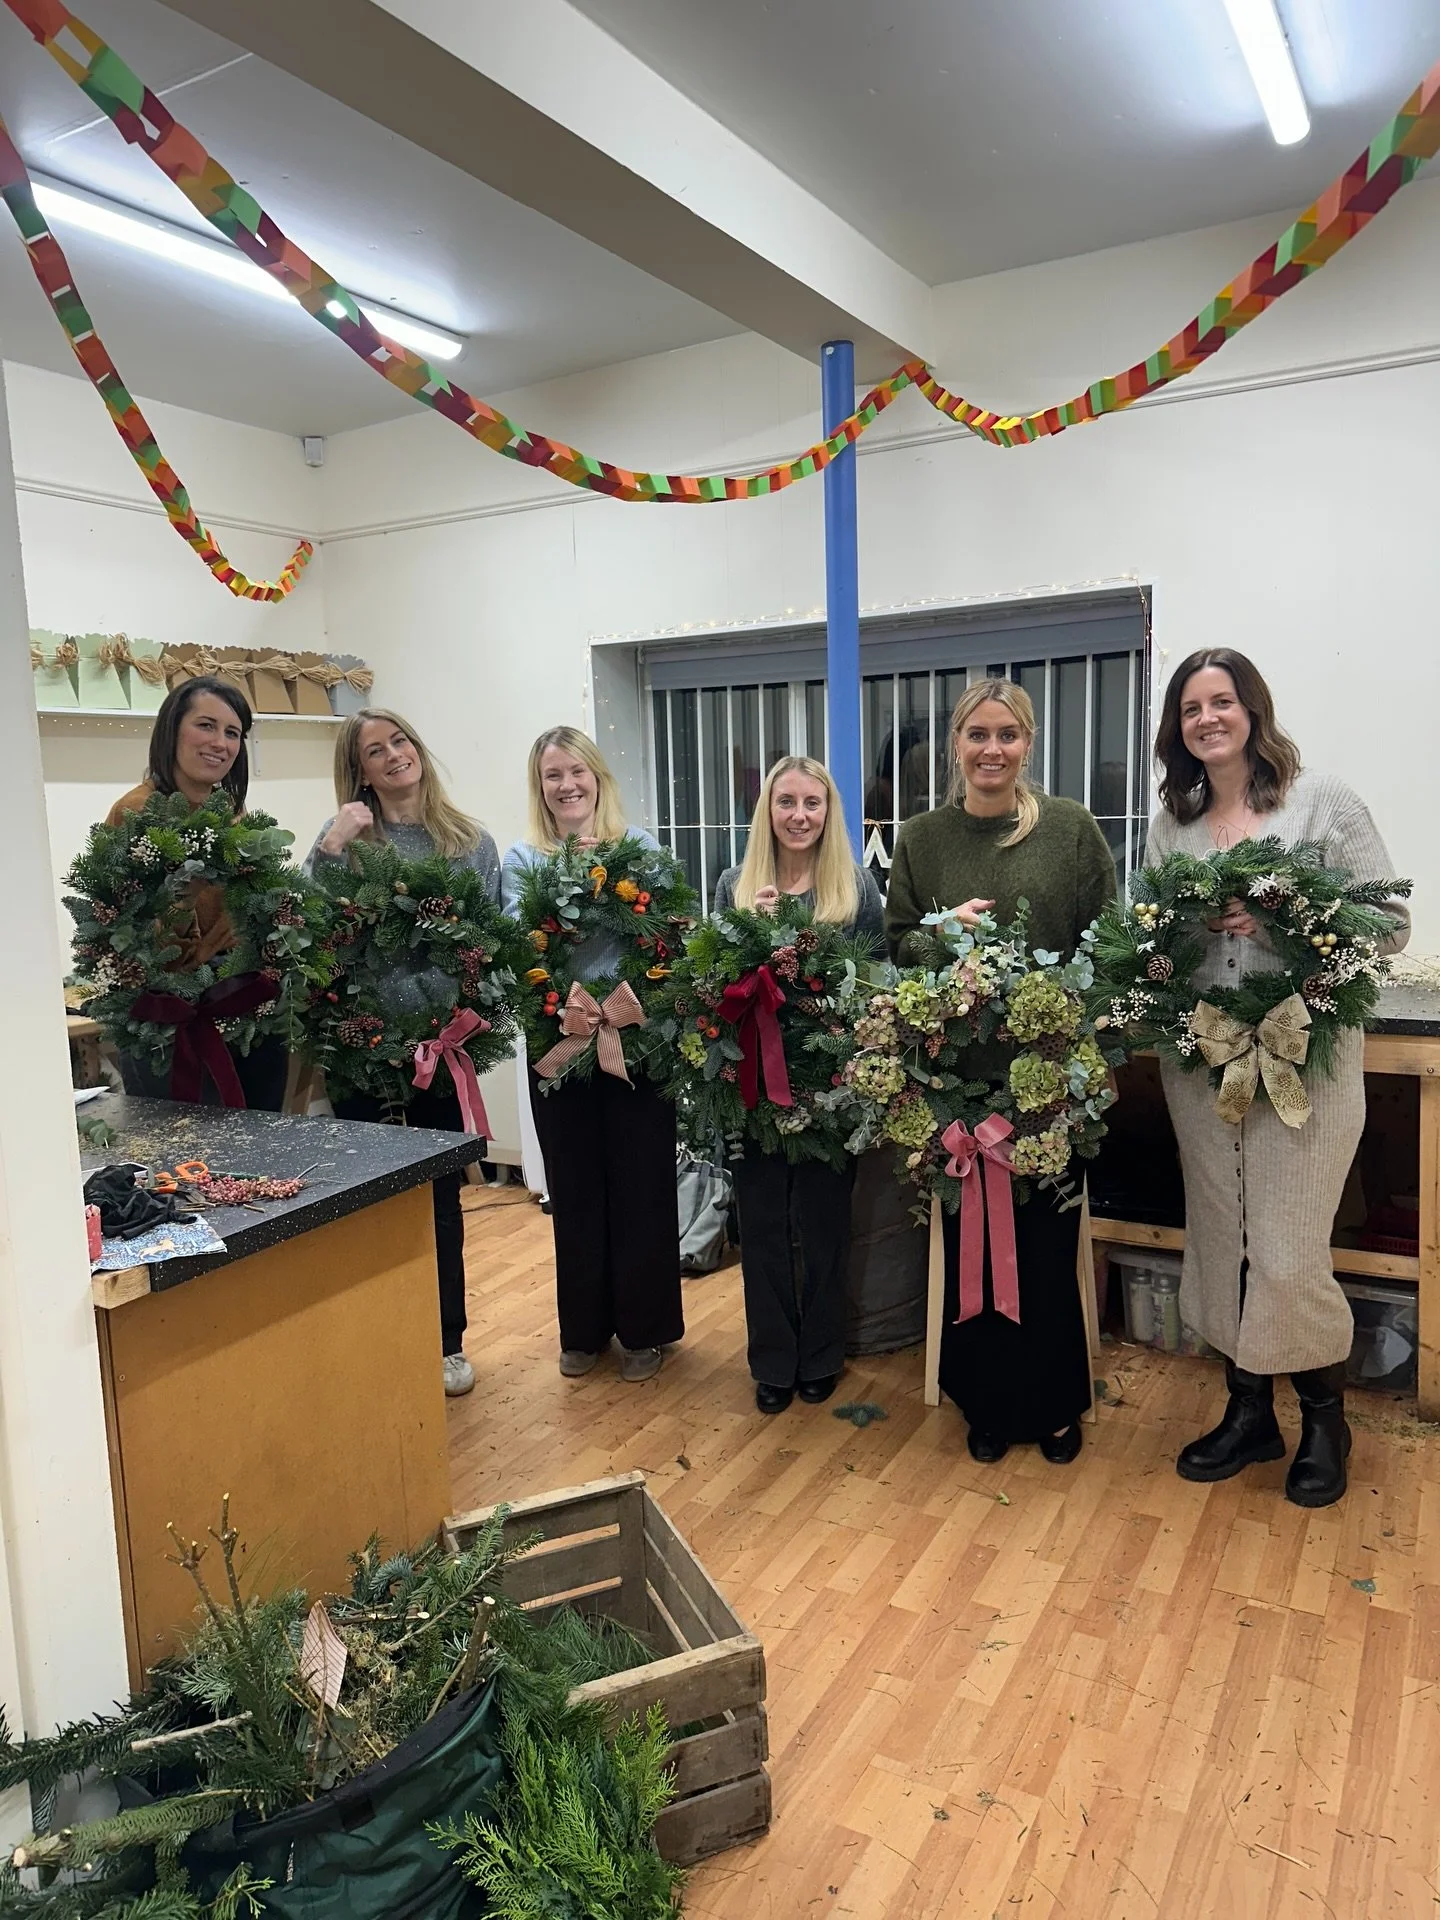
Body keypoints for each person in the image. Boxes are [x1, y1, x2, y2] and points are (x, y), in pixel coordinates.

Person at [1147, 648, 1410, 1508]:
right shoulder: (1173, 823)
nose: (1207, 718)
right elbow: (1154, 933)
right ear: (1177, 729)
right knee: (1223, 1240)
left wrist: (1281, 916)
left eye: (1222, 701)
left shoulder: (1320, 803)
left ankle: (1325, 1421)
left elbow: (1388, 920)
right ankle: (1248, 1412)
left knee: (1291, 1251)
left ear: (1253, 710)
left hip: (1304, 1062)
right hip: (1206, 1061)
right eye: (1191, 708)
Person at [886, 679, 1117, 1465]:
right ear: (955, 743)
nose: (992, 750)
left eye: (1007, 736)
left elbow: (1107, 947)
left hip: (1051, 1088)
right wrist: (938, 932)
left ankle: (1053, 1406)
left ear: (1029, 743)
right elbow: (897, 947)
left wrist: (1077, 1037)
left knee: (1047, 1252)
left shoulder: (1072, 831)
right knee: (972, 1254)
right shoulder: (920, 839)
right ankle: (984, 1402)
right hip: (957, 1092)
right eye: (977, 735)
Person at [305, 708, 501, 1399]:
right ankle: (380, 1330)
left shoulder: (470, 842)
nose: (394, 756)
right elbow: (311, 929)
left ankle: (446, 1340)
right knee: (373, 1203)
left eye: (401, 742)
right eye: (375, 750)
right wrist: (333, 843)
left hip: (439, 1049)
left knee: (441, 1198)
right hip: (362, 1050)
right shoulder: (347, 840)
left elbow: (487, 944)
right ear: (359, 769)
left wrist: (462, 1015)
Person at [501, 725, 683, 1384]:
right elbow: (521, 946)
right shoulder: (523, 860)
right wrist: (570, 1006)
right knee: (574, 1189)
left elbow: (668, 934)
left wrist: (626, 1000)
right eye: (553, 775)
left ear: (598, 777)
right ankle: (583, 1331)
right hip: (559, 1042)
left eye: (577, 771)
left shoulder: (639, 850)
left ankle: (644, 1331)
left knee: (641, 1186)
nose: (567, 785)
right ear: (540, 786)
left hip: (637, 1038)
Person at [713, 755, 883, 1413]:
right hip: (754, 1083)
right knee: (759, 1224)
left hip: (830, 1085)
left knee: (822, 1224)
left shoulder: (856, 888)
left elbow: (874, 984)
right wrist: (746, 931)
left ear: (828, 812)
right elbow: (715, 983)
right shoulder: (735, 880)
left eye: (812, 804)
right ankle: (772, 1360)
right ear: (768, 812)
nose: (800, 816)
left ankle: (820, 1356)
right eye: (787, 803)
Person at [106, 674, 289, 1112]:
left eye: (233, 733)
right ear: (173, 730)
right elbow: (134, 936)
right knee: (191, 1158)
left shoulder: (232, 815)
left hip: (247, 1007)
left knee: (264, 1153)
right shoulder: (136, 814)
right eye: (206, 725)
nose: (221, 743)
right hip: (173, 1018)